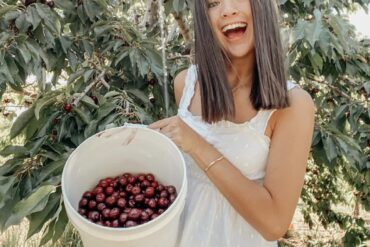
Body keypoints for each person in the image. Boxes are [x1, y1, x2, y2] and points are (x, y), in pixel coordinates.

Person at [148, 0, 315, 246]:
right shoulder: (186, 84)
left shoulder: (292, 104)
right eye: (213, 3)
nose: (228, 10)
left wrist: (196, 144)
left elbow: (274, 224)